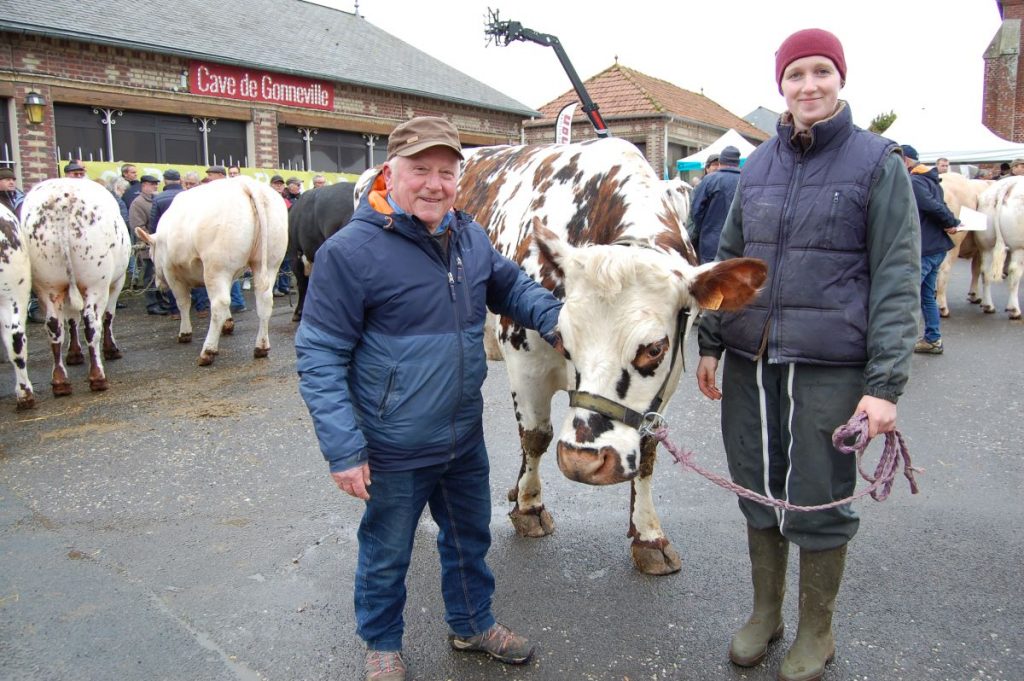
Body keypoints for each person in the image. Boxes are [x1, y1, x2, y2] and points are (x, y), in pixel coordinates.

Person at [295, 116, 562, 681]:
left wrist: (563, 321)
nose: (435, 184)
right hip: (393, 442)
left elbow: (512, 287)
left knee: (470, 538)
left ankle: (471, 624)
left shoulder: (469, 236)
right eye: (420, 169)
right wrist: (344, 450)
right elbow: (319, 357)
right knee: (388, 552)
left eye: (447, 171)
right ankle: (383, 646)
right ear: (390, 172)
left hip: (462, 435)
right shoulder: (350, 252)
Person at [695, 29, 920, 681]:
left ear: (840, 79)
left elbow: (899, 276)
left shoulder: (878, 163)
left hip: (830, 365)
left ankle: (817, 630)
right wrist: (710, 340)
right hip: (751, 362)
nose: (809, 85)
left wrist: (884, 385)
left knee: (818, 495)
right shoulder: (758, 164)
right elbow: (731, 259)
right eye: (796, 75)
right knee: (757, 487)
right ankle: (766, 613)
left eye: (822, 71)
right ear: (781, 87)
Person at [901, 144, 959, 355]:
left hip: (925, 247)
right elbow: (940, 205)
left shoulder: (915, 181)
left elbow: (932, 207)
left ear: (905, 160)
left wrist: (950, 222)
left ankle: (897, 345)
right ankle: (933, 339)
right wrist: (951, 222)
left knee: (905, 295)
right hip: (936, 246)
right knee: (926, 296)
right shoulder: (930, 179)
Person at [687, 145, 742, 263]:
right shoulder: (746, 180)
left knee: (711, 278)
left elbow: (696, 212)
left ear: (721, 162)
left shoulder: (709, 180)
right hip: (738, 244)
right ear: (738, 163)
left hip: (710, 243)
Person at [131, 174, 170, 315]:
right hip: (148, 245)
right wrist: (151, 238)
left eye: (156, 184)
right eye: (152, 184)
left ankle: (161, 301)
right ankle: (151, 304)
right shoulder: (138, 203)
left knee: (159, 275)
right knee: (149, 276)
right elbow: (138, 225)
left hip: (159, 244)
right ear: (144, 185)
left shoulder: (155, 200)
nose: (155, 186)